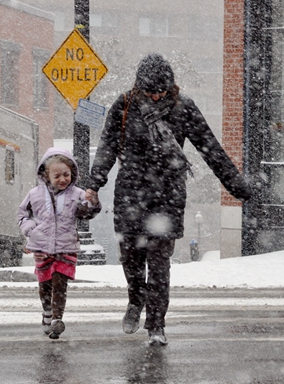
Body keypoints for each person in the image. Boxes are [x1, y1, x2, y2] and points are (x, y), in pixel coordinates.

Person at [87, 53, 252, 346]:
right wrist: (94, 184)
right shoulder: (125, 105)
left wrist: (235, 185)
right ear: (139, 87)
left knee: (160, 264)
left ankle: (156, 325)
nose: (156, 95)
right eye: (150, 90)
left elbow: (210, 148)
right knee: (131, 260)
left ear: (170, 86)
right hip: (130, 195)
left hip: (168, 196)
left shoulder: (183, 107)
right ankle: (135, 299)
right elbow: (108, 146)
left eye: (161, 90)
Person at [18, 147, 101, 339]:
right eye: (57, 176)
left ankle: (57, 319)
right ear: (46, 175)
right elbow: (23, 214)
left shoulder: (77, 194)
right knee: (45, 283)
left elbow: (87, 212)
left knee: (60, 283)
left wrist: (92, 202)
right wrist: (30, 229)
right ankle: (47, 312)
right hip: (41, 247)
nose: (62, 179)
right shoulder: (34, 194)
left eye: (66, 174)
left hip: (66, 246)